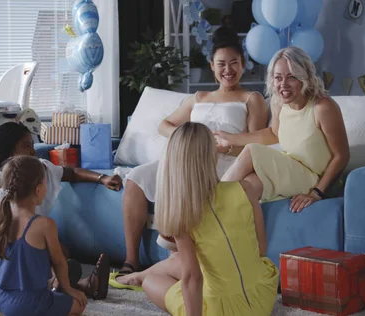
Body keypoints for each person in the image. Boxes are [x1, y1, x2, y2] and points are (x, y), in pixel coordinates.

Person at [113, 26, 269, 281]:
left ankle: (175, 247)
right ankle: (131, 259)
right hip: (184, 159)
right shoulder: (199, 97)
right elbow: (164, 125)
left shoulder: (252, 98)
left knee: (190, 181)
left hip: (222, 163)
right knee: (136, 178)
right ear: (211, 65)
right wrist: (189, 141)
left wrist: (225, 146)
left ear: (243, 65)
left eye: (234, 63)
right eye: (221, 64)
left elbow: (255, 143)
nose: (227, 70)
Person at [119, 122, 280, 315]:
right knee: (192, 261)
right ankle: (139, 275)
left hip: (221, 310)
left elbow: (193, 278)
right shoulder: (245, 189)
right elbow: (260, 249)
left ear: (173, 161)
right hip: (261, 295)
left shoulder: (181, 213)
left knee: (152, 282)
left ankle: (141, 277)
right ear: (213, 156)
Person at [0, 122, 121, 299]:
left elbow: (72, 173)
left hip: (31, 232)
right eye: (26, 146)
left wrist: (102, 178)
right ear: (10, 150)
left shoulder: (38, 168)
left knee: (60, 251)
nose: (32, 150)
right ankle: (65, 285)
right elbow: (13, 226)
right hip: (1, 242)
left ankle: (68, 285)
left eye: (32, 144)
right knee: (38, 256)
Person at [217, 46, 350, 212]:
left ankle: (207, 209)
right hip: (290, 172)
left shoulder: (323, 107)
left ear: (305, 77)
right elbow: (273, 134)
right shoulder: (278, 103)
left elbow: (342, 156)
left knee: (251, 151)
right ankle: (216, 230)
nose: (283, 85)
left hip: (315, 180)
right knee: (249, 185)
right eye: (278, 78)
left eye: (291, 77)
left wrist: (316, 193)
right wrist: (231, 138)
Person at [0, 155, 93, 315]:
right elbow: (59, 262)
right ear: (38, 189)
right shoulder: (45, 225)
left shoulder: (1, 224)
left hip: (3, 300)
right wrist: (68, 289)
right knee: (79, 305)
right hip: (34, 301)